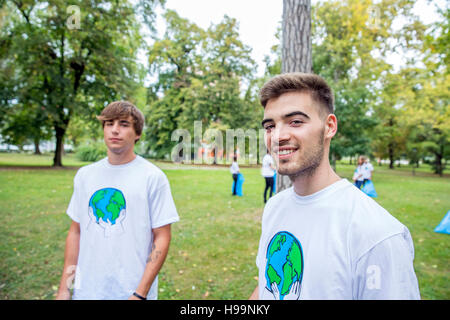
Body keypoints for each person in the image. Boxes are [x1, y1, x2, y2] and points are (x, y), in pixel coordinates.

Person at [249, 73, 420, 300]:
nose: (277, 136)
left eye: (296, 122)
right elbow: (266, 287)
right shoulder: (274, 207)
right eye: (270, 126)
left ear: (329, 127)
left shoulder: (377, 235)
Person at [56, 101, 179, 300]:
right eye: (109, 123)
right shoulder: (85, 175)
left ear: (137, 133)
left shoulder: (153, 177)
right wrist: (65, 288)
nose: (115, 130)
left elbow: (162, 237)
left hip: (130, 292)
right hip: (87, 292)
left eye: (123, 124)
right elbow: (75, 232)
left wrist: (140, 294)